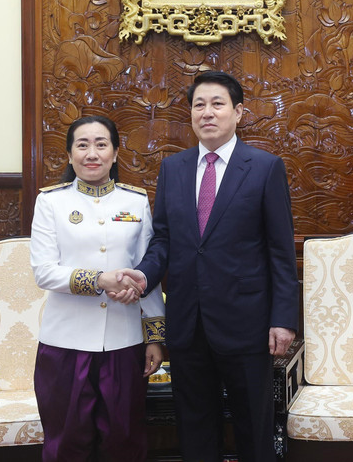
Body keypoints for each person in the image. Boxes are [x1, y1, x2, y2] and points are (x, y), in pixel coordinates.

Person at [110, 71, 299, 462]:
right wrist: (144, 275)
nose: (207, 113)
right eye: (199, 105)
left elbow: (280, 251)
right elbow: (162, 239)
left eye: (217, 104)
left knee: (253, 425)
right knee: (195, 426)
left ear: (238, 112)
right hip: (188, 322)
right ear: (191, 114)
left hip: (247, 321)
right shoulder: (173, 169)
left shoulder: (264, 168)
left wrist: (283, 318)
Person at [30, 114, 165, 462]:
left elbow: (147, 273)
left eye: (101, 144)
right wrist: (98, 281)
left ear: (116, 153)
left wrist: (154, 336)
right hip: (65, 345)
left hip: (124, 341)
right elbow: (44, 272)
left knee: (125, 440)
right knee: (66, 442)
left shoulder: (135, 202)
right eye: (83, 144)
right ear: (70, 154)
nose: (92, 153)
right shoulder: (51, 202)